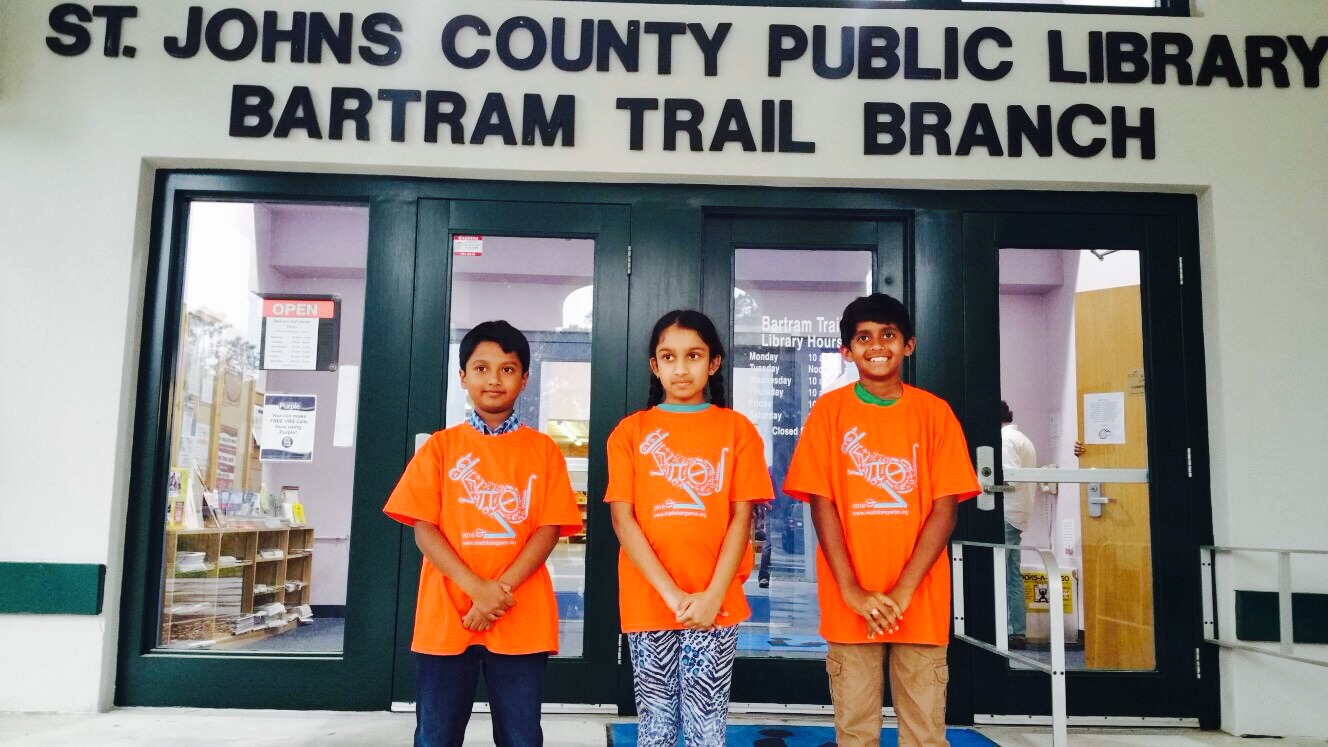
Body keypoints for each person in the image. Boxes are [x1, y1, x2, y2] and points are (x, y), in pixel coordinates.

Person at [784, 293, 980, 747]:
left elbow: (945, 509)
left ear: (908, 344)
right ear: (846, 350)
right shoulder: (829, 413)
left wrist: (904, 590)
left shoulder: (934, 414)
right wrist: (852, 589)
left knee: (925, 734)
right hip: (850, 603)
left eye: (888, 335)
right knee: (855, 732)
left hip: (920, 601)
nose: (876, 345)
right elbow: (822, 505)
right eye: (863, 337)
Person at [383, 320, 583, 747]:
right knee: (435, 736)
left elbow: (548, 530)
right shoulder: (440, 448)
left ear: (524, 379)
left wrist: (499, 592)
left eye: (507, 369)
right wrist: (477, 590)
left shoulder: (543, 450)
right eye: (481, 368)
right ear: (463, 376)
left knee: (521, 736)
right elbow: (424, 530)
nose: (494, 379)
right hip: (447, 615)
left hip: (521, 615)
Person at [606, 309, 774, 746]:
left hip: (715, 604)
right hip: (649, 601)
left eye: (693, 355)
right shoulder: (630, 433)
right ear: (655, 365)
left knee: (706, 726)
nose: (681, 368)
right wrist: (671, 595)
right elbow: (623, 519)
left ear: (713, 363)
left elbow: (741, 518)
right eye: (669, 357)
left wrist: (713, 595)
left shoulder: (737, 431)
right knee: (656, 725)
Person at [1000, 400, 1037, 650]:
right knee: (1012, 574)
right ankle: (1016, 630)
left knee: (1001, 573)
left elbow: (1008, 476)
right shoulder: (1022, 438)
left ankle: (1009, 630)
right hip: (1018, 512)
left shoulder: (1004, 439)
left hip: (1007, 512)